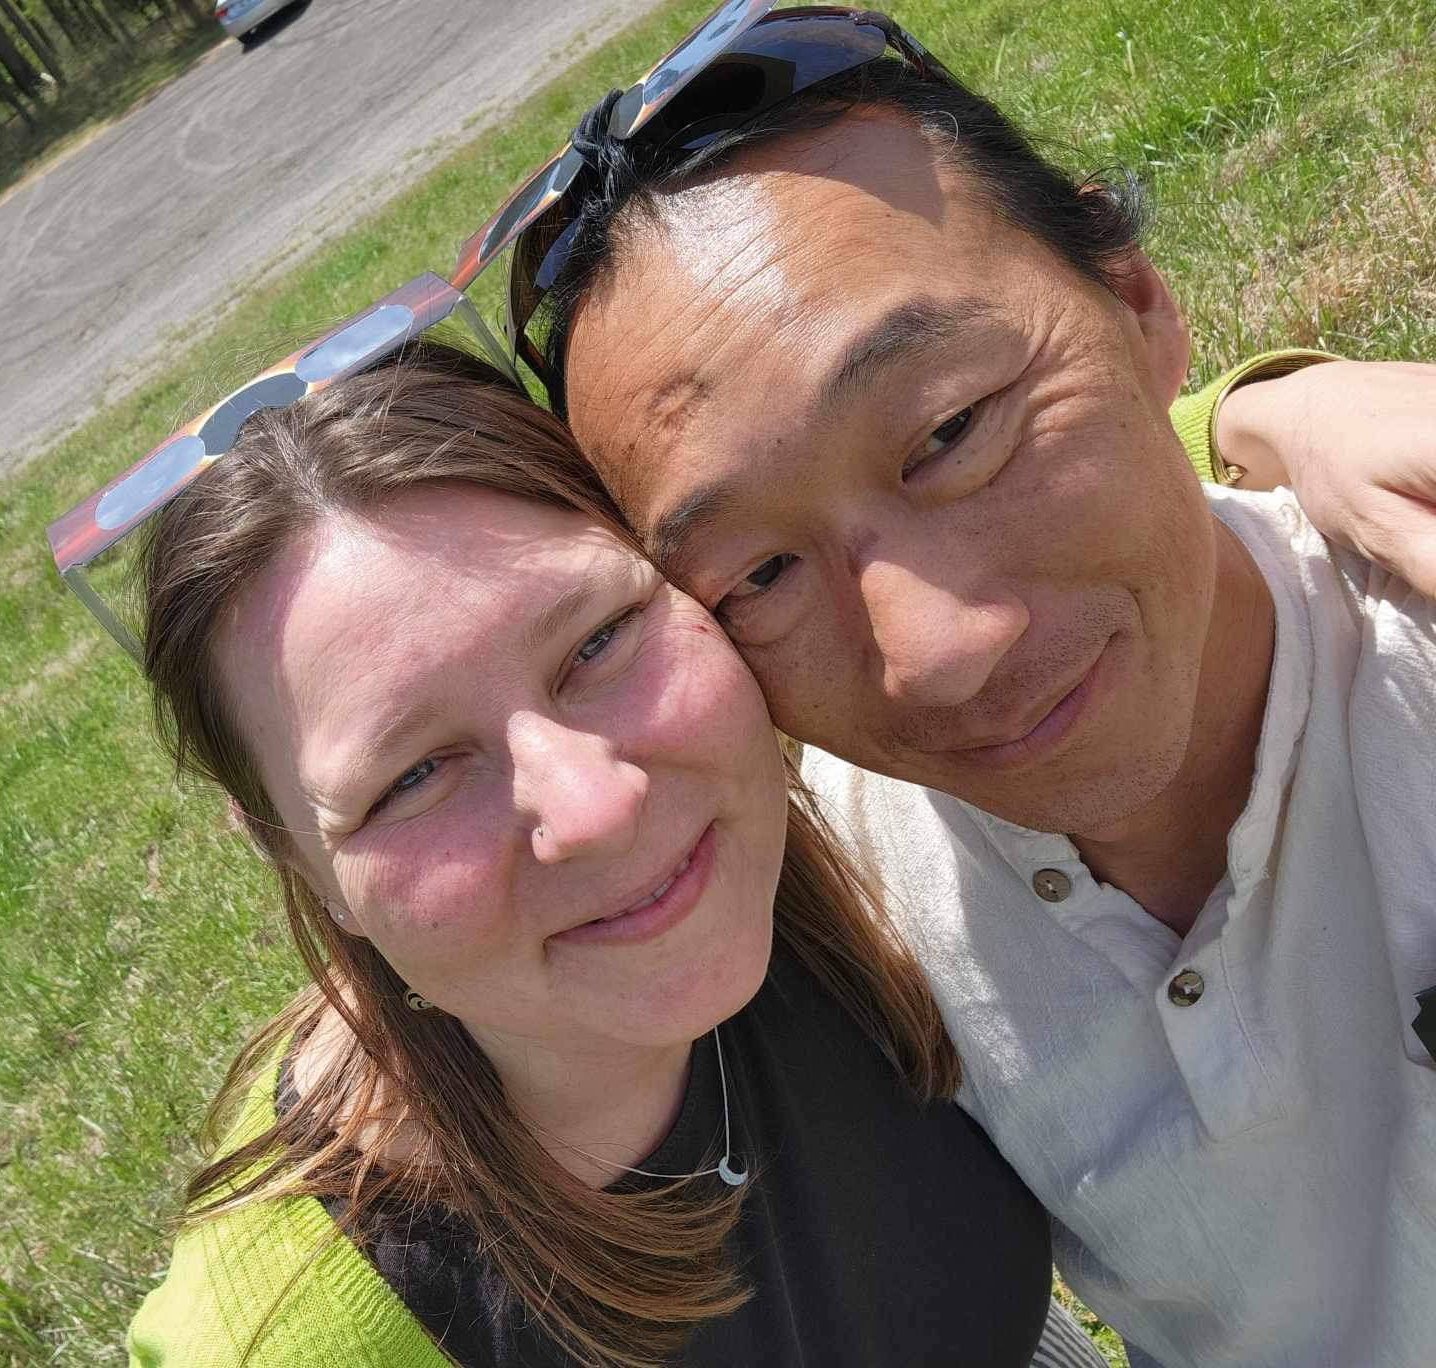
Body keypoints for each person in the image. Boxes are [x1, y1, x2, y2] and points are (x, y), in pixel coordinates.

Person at [506, 8, 1436, 1365]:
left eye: (950, 432)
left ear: (1136, 302)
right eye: (760, 575)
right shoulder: (826, 927)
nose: (938, 648)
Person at [118, 344, 1112, 1367]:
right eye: (412, 776)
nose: (594, 809)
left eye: (598, 641)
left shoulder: (832, 810)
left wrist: (1216, 421)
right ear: (295, 860)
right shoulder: (291, 1340)